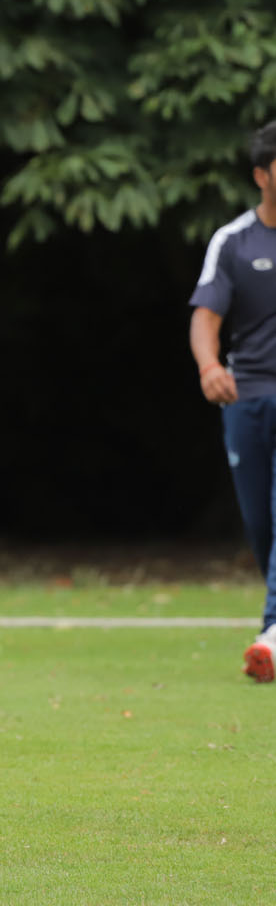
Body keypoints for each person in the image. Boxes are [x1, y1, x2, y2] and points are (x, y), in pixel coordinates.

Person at [189, 120, 276, 683]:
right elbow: (205, 318)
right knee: (260, 524)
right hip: (247, 398)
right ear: (261, 175)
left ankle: (272, 634)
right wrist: (209, 366)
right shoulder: (233, 241)